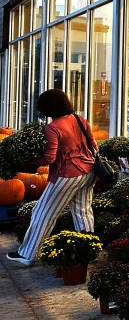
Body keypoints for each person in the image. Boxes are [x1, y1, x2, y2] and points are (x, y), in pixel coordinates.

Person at [6, 89, 96, 267]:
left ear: (48, 107)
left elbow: (49, 158)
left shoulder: (52, 128)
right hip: (89, 172)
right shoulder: (79, 119)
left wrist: (27, 161)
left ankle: (27, 254)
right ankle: (88, 250)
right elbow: (93, 145)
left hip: (67, 175)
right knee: (82, 212)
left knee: (43, 212)